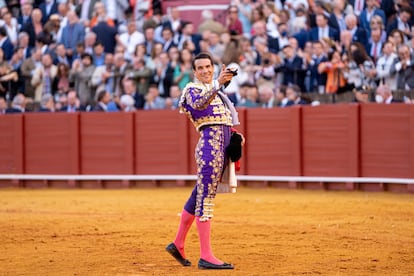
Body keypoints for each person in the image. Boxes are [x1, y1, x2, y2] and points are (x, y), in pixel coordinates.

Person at [166, 52, 244, 270]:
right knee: (206, 201)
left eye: (208, 67)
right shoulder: (191, 90)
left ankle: (178, 243)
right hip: (210, 150)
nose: (205, 71)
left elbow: (223, 121)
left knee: (198, 196)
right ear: (194, 72)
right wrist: (218, 83)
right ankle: (206, 255)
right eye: (200, 68)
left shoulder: (217, 93)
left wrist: (236, 136)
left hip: (219, 149)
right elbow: (200, 104)